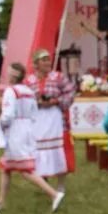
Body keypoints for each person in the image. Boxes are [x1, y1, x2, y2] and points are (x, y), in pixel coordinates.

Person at [0, 62, 63, 208]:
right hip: (27, 128)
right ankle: (1, 200)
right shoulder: (28, 91)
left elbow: (8, 115)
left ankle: (53, 194)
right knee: (6, 167)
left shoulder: (10, 91)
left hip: (15, 130)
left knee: (25, 169)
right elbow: (34, 113)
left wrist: (1, 124)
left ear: (13, 76)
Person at [31, 48, 76, 182]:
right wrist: (37, 102)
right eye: (43, 60)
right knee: (39, 150)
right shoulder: (30, 80)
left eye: (48, 60)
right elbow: (26, 99)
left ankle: (61, 182)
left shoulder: (58, 77)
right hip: (38, 120)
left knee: (58, 151)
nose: (47, 63)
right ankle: (43, 178)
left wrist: (56, 101)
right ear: (36, 63)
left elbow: (70, 92)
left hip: (56, 120)